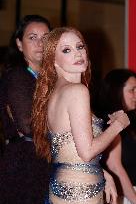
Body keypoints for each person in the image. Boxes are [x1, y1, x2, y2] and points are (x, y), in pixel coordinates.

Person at [32, 27, 130, 204]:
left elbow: (69, 151)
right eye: (66, 50)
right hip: (81, 192)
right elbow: (86, 152)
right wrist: (119, 124)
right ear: (53, 60)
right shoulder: (77, 91)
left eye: (80, 46)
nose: (77, 54)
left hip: (63, 186)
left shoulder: (56, 93)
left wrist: (103, 173)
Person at [0, 14, 51, 204]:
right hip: (25, 166)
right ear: (19, 44)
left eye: (45, 37)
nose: (40, 43)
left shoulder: (47, 80)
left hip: (42, 163)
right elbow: (28, 125)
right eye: (32, 37)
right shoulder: (18, 75)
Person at [93, 69, 136, 204]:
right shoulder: (111, 121)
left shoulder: (129, 120)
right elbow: (115, 166)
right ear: (116, 90)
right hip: (123, 195)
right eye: (132, 90)